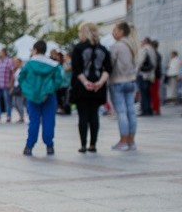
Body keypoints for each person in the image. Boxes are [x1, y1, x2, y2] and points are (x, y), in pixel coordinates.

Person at [69, 23, 112, 153]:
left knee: (83, 116)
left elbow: (76, 69)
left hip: (82, 86)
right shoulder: (103, 49)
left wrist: (86, 82)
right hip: (98, 86)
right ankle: (93, 144)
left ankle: (83, 145)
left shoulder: (78, 48)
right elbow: (108, 68)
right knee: (94, 115)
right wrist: (99, 82)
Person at [19, 40, 64, 156]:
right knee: (49, 121)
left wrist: (28, 91)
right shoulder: (54, 65)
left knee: (33, 121)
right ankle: (49, 146)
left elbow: (21, 78)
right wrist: (49, 90)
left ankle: (29, 146)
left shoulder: (28, 64)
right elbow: (59, 81)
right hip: (49, 96)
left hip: (32, 97)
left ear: (35, 50)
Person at [108, 21, 139, 150]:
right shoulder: (133, 44)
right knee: (131, 111)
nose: (113, 32)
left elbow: (110, 64)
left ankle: (123, 141)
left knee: (121, 112)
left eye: (115, 30)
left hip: (118, 81)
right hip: (131, 80)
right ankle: (131, 141)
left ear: (121, 31)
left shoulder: (117, 46)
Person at [136, 37, 157, 117]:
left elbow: (140, 61)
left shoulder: (144, 49)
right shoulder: (152, 49)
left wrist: (136, 71)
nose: (140, 43)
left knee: (143, 93)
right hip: (150, 74)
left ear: (145, 42)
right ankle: (149, 109)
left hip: (143, 74)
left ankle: (145, 110)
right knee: (147, 93)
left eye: (141, 41)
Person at [0, 48, 14, 122]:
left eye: (0, 52)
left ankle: (8, 116)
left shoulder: (9, 61)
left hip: (5, 84)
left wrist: (11, 82)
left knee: (7, 100)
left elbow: (12, 72)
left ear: (4, 53)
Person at [150, 39, 162, 115]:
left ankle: (156, 109)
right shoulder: (158, 54)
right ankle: (156, 109)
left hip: (155, 76)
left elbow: (154, 66)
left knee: (154, 93)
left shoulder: (154, 54)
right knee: (155, 93)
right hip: (157, 75)